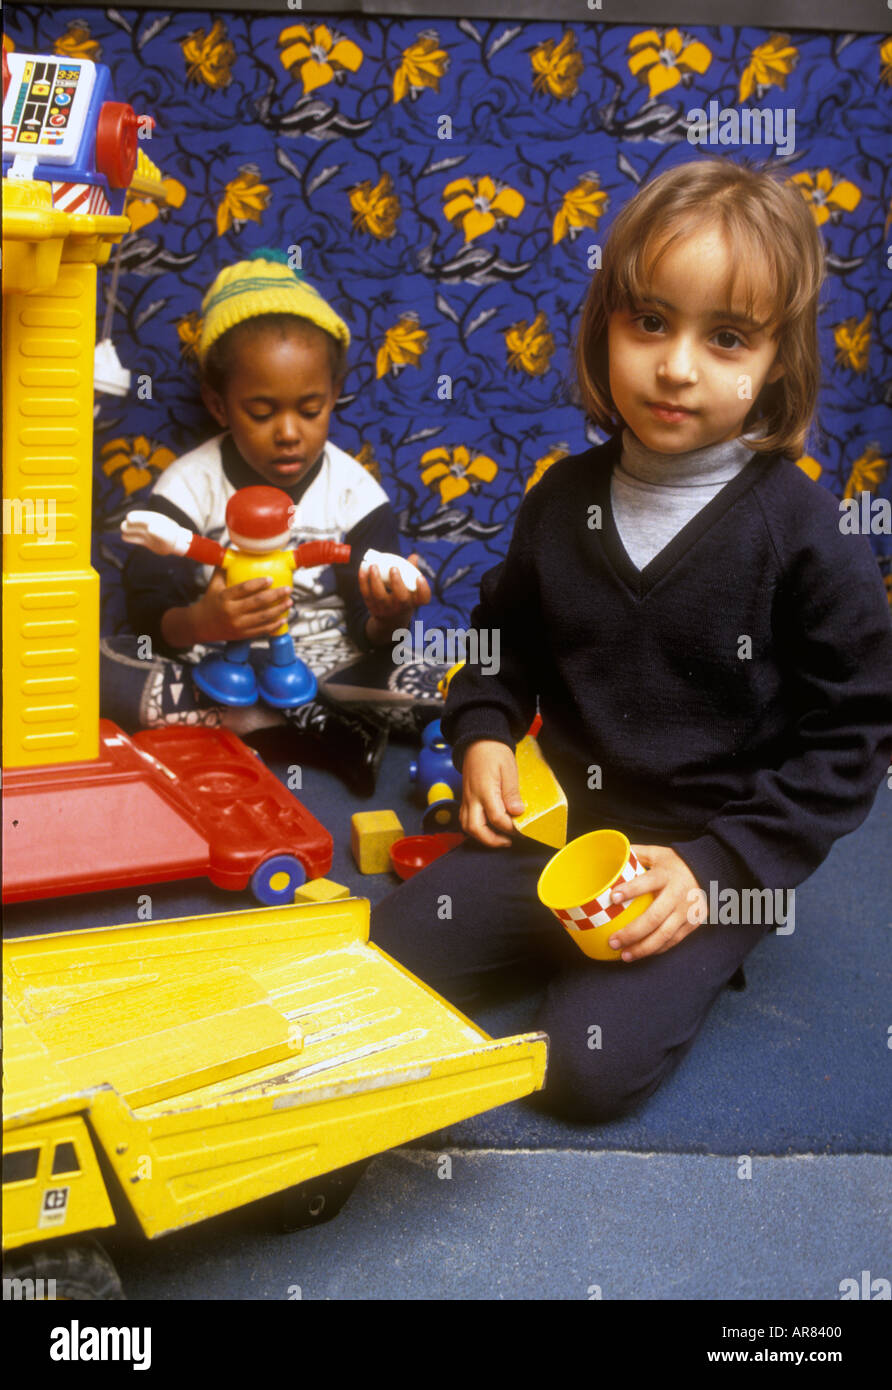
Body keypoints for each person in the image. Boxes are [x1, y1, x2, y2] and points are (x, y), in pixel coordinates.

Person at [370, 158, 892, 1121]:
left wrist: (727, 867)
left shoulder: (803, 532)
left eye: (726, 337)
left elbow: (856, 729)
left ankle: (722, 932)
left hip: (701, 855)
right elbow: (499, 642)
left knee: (584, 1074)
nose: (678, 365)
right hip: (562, 832)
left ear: (776, 362)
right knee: (386, 960)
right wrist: (482, 729)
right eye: (650, 321)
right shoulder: (563, 501)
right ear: (605, 320)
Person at [100, 248, 431, 794]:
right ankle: (294, 729)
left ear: (333, 398)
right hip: (216, 668)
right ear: (219, 404)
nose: (288, 433)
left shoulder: (354, 490)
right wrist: (203, 622)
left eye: (310, 409)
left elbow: (373, 637)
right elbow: (145, 609)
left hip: (326, 662)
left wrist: (389, 617)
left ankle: (274, 725)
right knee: (100, 668)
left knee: (463, 671)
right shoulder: (188, 485)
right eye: (261, 412)